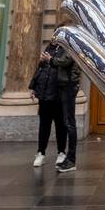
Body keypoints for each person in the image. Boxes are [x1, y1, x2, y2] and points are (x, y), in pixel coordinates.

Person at [29, 40, 80, 171]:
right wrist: (34, 86)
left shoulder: (69, 47)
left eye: (57, 34)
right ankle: (41, 152)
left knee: (62, 124)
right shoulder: (50, 47)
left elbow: (65, 62)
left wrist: (50, 60)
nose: (54, 38)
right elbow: (41, 68)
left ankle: (62, 153)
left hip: (59, 91)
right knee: (44, 124)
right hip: (45, 92)